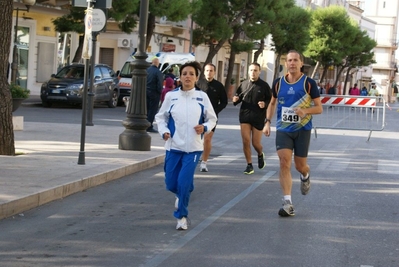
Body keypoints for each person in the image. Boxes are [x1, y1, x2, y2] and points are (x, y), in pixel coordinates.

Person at [155, 61, 217, 230]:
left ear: (196, 78)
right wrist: (164, 131)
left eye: (191, 74)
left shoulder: (202, 97)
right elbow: (161, 118)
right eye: (184, 74)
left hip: (194, 148)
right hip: (173, 146)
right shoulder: (171, 96)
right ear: (180, 77)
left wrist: (204, 127)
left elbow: (212, 119)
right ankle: (183, 191)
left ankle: (181, 216)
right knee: (171, 183)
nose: (187, 76)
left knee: (183, 183)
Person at [263, 50, 323, 217]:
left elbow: (319, 108)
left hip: (302, 130)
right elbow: (272, 103)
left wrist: (305, 111)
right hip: (283, 130)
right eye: (289, 60)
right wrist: (267, 122)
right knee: (284, 162)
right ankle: (287, 202)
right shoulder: (278, 83)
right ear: (286, 63)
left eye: (295, 60)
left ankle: (305, 174)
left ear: (301, 63)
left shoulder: (308, 83)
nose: (292, 63)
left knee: (299, 166)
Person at [232, 62, 272, 175]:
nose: (253, 72)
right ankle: (249, 165)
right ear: (248, 71)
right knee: (245, 141)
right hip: (244, 116)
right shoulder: (243, 84)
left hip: (258, 117)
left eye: (255, 70)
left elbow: (271, 101)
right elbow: (238, 98)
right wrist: (235, 100)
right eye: (251, 70)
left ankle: (260, 154)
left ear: (259, 72)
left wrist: (264, 104)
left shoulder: (264, 86)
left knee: (255, 143)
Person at [196, 63, 228, 172]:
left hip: (211, 118)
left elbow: (224, 102)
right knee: (196, 139)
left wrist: (215, 111)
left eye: (211, 71)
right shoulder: (198, 84)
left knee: (207, 139)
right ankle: (195, 158)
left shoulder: (219, 86)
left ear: (214, 72)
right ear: (204, 72)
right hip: (198, 116)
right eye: (207, 70)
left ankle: (204, 162)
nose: (209, 73)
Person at [146, 57, 163, 133]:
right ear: (157, 64)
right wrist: (159, 92)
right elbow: (159, 84)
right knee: (152, 110)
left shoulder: (147, 71)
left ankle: (145, 124)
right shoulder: (158, 72)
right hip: (154, 93)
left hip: (146, 92)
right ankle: (149, 126)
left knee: (146, 109)